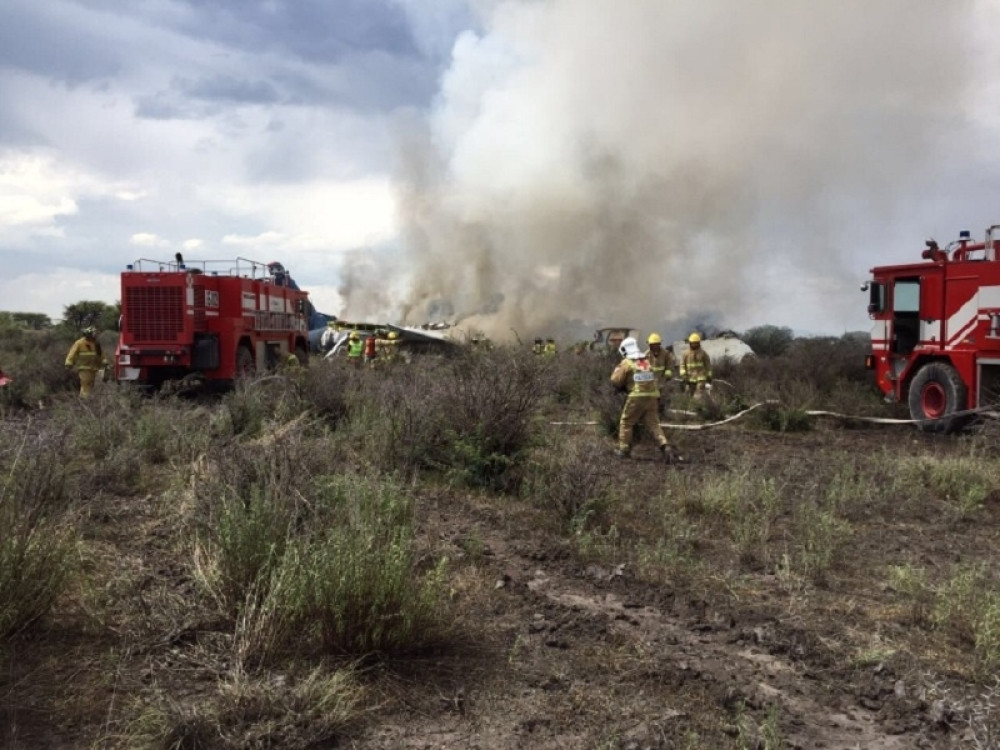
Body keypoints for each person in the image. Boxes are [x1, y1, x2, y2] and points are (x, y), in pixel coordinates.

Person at [610, 336, 678, 462]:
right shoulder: (645, 361)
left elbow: (615, 380)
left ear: (625, 350)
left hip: (637, 397)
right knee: (653, 424)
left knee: (627, 422)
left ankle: (623, 449)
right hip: (652, 396)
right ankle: (665, 446)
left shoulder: (627, 362)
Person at [65, 326, 108, 397]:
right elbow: (72, 353)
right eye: (94, 334)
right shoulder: (79, 343)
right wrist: (68, 362)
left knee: (97, 384)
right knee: (86, 385)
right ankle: (85, 401)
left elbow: (101, 355)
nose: (96, 336)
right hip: (84, 369)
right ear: (88, 334)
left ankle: (96, 400)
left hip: (95, 368)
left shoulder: (96, 344)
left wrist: (105, 362)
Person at [645, 333, 676, 415]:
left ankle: (662, 413)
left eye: (656, 345)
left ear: (659, 344)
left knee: (663, 398)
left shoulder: (665, 354)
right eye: (652, 345)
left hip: (663, 379)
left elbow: (670, 364)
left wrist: (669, 371)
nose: (654, 347)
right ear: (649, 345)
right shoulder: (646, 355)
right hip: (651, 381)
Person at [679, 332, 713, 400]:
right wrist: (683, 375)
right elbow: (682, 365)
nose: (694, 344)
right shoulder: (685, 354)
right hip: (689, 379)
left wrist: (709, 376)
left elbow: (708, 365)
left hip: (701, 379)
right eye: (693, 343)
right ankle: (691, 409)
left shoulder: (703, 353)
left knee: (698, 396)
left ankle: (697, 407)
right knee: (688, 396)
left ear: (698, 343)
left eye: (696, 343)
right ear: (690, 343)